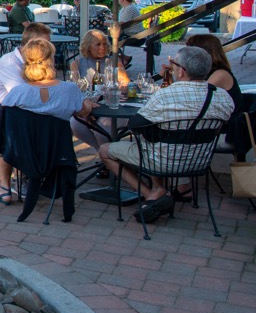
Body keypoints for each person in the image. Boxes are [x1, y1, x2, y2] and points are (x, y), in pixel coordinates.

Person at [98, 46, 235, 224]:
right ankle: (158, 191)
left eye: (174, 64)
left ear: (181, 71)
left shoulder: (165, 95)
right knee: (155, 140)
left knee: (105, 150)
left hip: (163, 160)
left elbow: (135, 124)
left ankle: (151, 195)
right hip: (199, 160)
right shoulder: (223, 97)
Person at [0, 40, 96, 204]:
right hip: (58, 153)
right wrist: (88, 105)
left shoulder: (17, 93)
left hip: (23, 153)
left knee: (3, 141)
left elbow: (7, 122)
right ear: (51, 60)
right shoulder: (69, 90)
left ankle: (4, 187)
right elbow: (81, 112)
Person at [0, 22, 52, 105]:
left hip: (22, 106)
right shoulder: (9, 63)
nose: (49, 48)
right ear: (31, 43)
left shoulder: (37, 60)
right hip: (1, 108)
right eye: (45, 44)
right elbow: (22, 97)